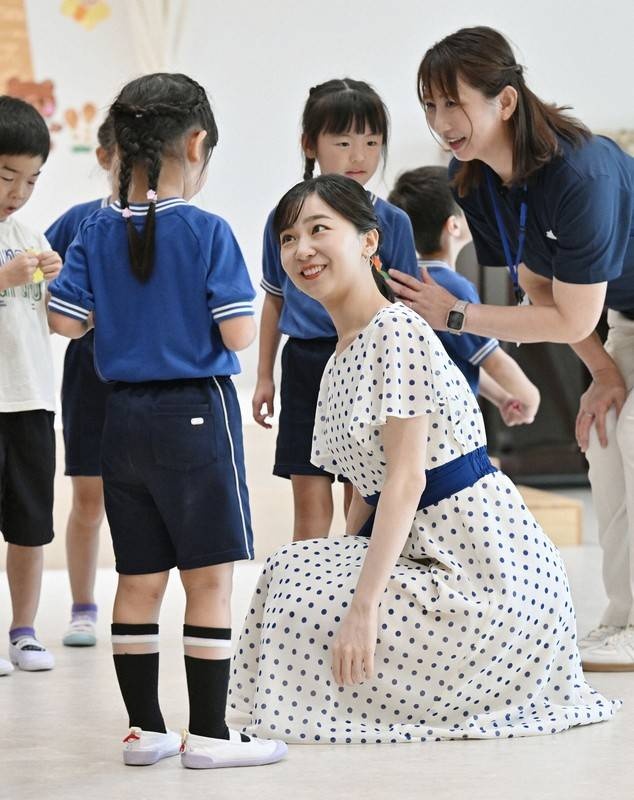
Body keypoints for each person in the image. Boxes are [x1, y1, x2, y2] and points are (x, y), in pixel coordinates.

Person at [229, 174, 620, 742]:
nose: (301, 250)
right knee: (292, 570)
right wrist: (343, 566)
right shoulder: (340, 356)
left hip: (487, 577)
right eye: (288, 239)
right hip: (427, 556)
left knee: (311, 594)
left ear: (368, 241)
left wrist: (363, 607)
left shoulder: (396, 331)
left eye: (318, 230)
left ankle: (334, 702)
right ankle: (319, 700)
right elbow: (367, 492)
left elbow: (406, 480)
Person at [48, 72, 286, 769]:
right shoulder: (208, 231)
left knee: (139, 578)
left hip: (118, 418)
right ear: (196, 143)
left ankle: (144, 730)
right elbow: (239, 333)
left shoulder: (94, 229)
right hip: (194, 414)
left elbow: (66, 321)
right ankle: (209, 733)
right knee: (208, 580)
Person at [386, 26, 634, 670]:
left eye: (454, 103)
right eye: (430, 105)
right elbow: (538, 290)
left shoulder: (582, 173)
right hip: (627, 315)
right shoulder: (475, 180)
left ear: (505, 101)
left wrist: (456, 314)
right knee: (606, 439)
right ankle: (623, 618)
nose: (441, 121)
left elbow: (570, 313)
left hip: (604, 309)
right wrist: (604, 372)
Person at [253, 78, 419, 541]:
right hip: (306, 362)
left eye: (372, 142)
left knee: (362, 496)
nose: (358, 155)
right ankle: (308, 582)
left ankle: (356, 580)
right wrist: (264, 375)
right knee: (309, 501)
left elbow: (406, 305)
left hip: (368, 361)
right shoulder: (284, 218)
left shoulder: (393, 222)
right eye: (343, 142)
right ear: (310, 144)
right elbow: (274, 298)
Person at [388, 165, 540, 424]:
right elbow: (494, 362)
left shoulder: (405, 282)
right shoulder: (453, 290)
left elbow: (464, 353)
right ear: (454, 225)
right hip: (451, 423)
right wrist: (531, 398)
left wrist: (502, 398)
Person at [45, 115, 116, 647]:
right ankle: (83, 606)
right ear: (104, 157)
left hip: (145, 378)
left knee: (142, 499)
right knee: (88, 498)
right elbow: (40, 284)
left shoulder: (171, 224)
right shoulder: (78, 221)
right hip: (87, 374)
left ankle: (138, 598)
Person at [0, 96, 62, 676]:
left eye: (32, 180)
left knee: (29, 526)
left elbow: (47, 320)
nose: (18, 192)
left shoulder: (28, 233)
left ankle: (24, 631)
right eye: (6, 176)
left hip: (31, 400)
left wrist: (54, 279)